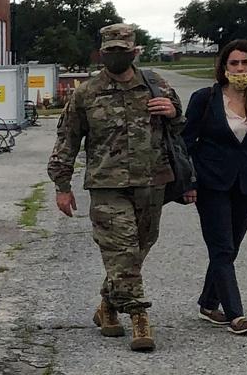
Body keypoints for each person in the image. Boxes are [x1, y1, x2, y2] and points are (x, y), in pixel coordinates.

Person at [48, 22, 190, 352]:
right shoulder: (87, 93)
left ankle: (107, 307)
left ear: (134, 52)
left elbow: (180, 127)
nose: (116, 57)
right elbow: (67, 139)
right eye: (110, 52)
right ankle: (139, 315)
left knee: (136, 251)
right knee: (122, 252)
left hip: (152, 182)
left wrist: (171, 111)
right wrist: (61, 184)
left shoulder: (156, 85)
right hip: (106, 185)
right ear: (101, 54)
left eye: (122, 52)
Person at [184, 40, 247, 335]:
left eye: (246, 63)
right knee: (222, 247)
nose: (240, 69)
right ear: (224, 67)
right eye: (234, 63)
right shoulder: (205, 98)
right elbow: (185, 143)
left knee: (230, 248)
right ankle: (236, 315)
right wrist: (188, 183)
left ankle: (208, 302)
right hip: (211, 183)